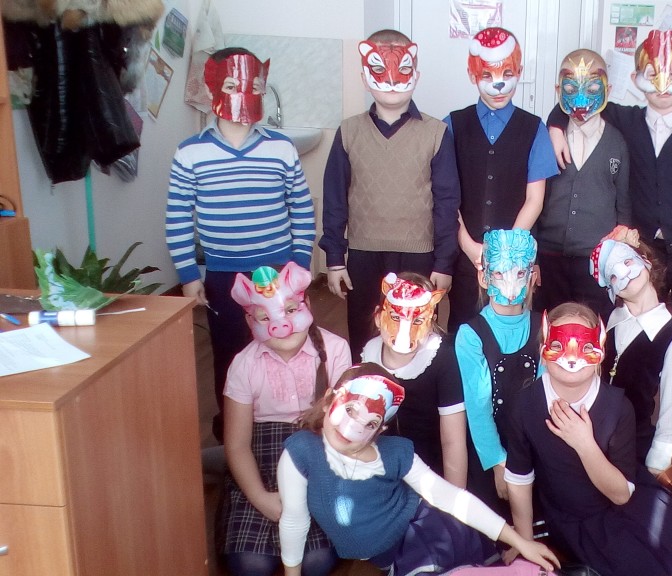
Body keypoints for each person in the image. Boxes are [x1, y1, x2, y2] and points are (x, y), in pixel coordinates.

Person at [548, 29, 672, 457]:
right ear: (635, 79)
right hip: (643, 252)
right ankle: (629, 414)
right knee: (634, 329)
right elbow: (578, 99)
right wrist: (555, 127)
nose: (662, 87)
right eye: (652, 76)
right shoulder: (627, 120)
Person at [277, 365, 560, 576]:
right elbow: (294, 519)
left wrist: (519, 541)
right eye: (350, 410)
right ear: (328, 400)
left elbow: (449, 497)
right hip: (391, 556)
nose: (354, 428)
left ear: (380, 430)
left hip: (426, 534)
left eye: (371, 423)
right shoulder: (301, 451)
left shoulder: (393, 453)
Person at [166, 47, 316, 442]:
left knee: (285, 346)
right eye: (231, 85)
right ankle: (234, 435)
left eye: (251, 86)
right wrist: (188, 276)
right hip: (223, 275)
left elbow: (302, 208)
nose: (242, 94)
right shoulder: (190, 152)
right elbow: (178, 217)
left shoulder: (281, 147)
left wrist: (299, 265)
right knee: (231, 354)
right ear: (212, 88)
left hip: (280, 274)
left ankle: (288, 427)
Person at [503, 302, 672, 576]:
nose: (571, 358)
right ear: (543, 351)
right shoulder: (525, 405)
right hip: (576, 518)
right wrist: (525, 543)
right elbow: (519, 479)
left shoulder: (618, 407)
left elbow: (621, 495)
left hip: (626, 499)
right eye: (559, 345)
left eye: (585, 347)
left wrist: (584, 444)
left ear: (600, 351)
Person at [318, 29, 461, 355]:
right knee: (365, 335)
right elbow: (335, 198)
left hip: (420, 257)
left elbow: (447, 202)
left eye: (404, 69)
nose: (393, 80)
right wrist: (335, 259)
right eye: (380, 70)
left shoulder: (436, 133)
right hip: (363, 256)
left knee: (416, 336)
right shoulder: (349, 131)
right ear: (365, 78)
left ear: (416, 76)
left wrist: (444, 263)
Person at [220, 263, 352, 576]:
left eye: (291, 310)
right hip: (261, 464)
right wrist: (260, 498)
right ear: (250, 320)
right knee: (250, 564)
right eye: (265, 318)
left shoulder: (335, 350)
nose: (282, 326)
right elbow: (237, 445)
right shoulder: (243, 365)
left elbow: (343, 431)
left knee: (316, 561)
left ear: (307, 305)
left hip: (319, 461)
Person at [445, 27, 559, 329]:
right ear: (472, 75)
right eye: (487, 75)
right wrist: (470, 247)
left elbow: (535, 200)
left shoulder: (534, 129)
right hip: (465, 257)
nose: (498, 85)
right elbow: (445, 198)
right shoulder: (453, 125)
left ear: (519, 71)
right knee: (465, 329)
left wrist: (505, 253)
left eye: (507, 73)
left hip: (516, 263)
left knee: (513, 332)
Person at [533, 49, 630, 320]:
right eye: (570, 89)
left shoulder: (619, 141)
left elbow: (624, 204)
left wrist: (620, 257)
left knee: (595, 324)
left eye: (593, 89)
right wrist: (534, 258)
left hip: (597, 260)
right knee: (549, 325)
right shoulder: (545, 138)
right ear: (558, 90)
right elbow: (533, 197)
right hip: (549, 257)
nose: (580, 100)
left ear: (608, 90)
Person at [455, 229, 541, 517]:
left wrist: (524, 462)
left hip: (531, 446)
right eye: (500, 274)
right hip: (489, 450)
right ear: (484, 278)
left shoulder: (544, 328)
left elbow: (544, 398)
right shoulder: (470, 335)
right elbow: (477, 405)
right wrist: (498, 463)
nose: (510, 285)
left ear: (532, 277)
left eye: (519, 274)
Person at [590, 227, 672, 475]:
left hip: (633, 441)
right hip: (591, 434)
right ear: (610, 289)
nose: (624, 274)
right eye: (613, 276)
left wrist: (660, 456)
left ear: (645, 261)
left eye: (627, 262)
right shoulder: (608, 322)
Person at [360, 271, 468, 484]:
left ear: (431, 322)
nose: (405, 331)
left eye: (418, 320)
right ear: (378, 318)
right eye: (395, 318)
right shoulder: (368, 354)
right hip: (381, 472)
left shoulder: (443, 360)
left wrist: (453, 498)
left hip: (430, 474)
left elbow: (453, 441)